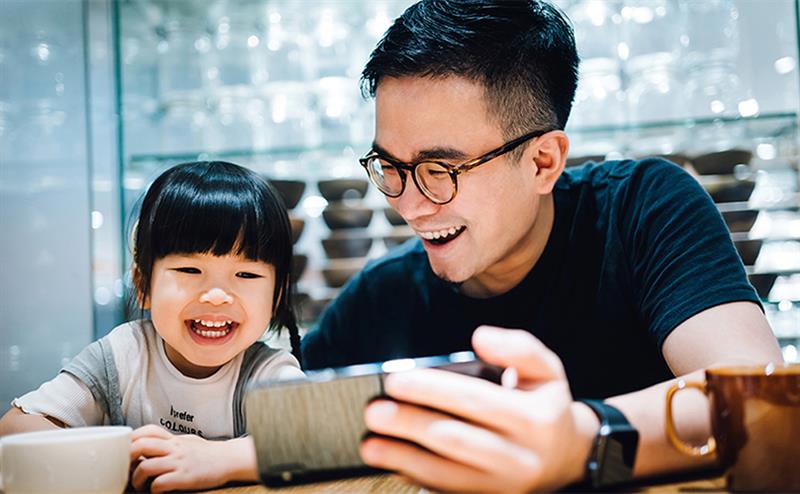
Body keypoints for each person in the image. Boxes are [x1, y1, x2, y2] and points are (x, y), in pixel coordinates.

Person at [301, 1, 783, 491]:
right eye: (390, 169)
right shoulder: (383, 296)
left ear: (543, 162)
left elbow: (756, 400)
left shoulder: (640, 208)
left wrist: (581, 441)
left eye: (440, 171)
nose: (410, 206)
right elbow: (280, 416)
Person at [0, 161, 305, 492]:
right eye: (190, 270)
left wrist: (220, 459)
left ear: (277, 295)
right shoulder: (121, 357)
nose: (217, 296)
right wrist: (108, 454)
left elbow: (317, 438)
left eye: (246, 275)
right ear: (142, 285)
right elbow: (15, 427)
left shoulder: (266, 373)